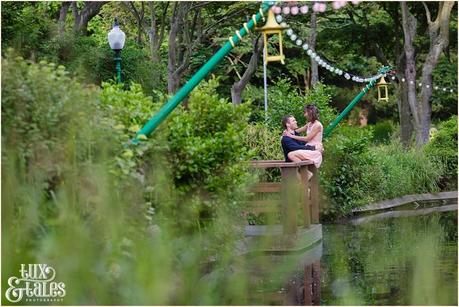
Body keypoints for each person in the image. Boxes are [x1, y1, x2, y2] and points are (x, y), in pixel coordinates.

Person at [282, 104, 323, 169]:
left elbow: (307, 139)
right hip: (308, 149)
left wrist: (291, 135)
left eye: (305, 112)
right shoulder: (309, 124)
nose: (304, 115)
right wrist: (288, 133)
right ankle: (305, 173)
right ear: (288, 124)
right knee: (292, 154)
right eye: (293, 121)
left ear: (310, 113)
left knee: (291, 154)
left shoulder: (317, 125)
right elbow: (297, 131)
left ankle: (305, 173)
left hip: (314, 148)